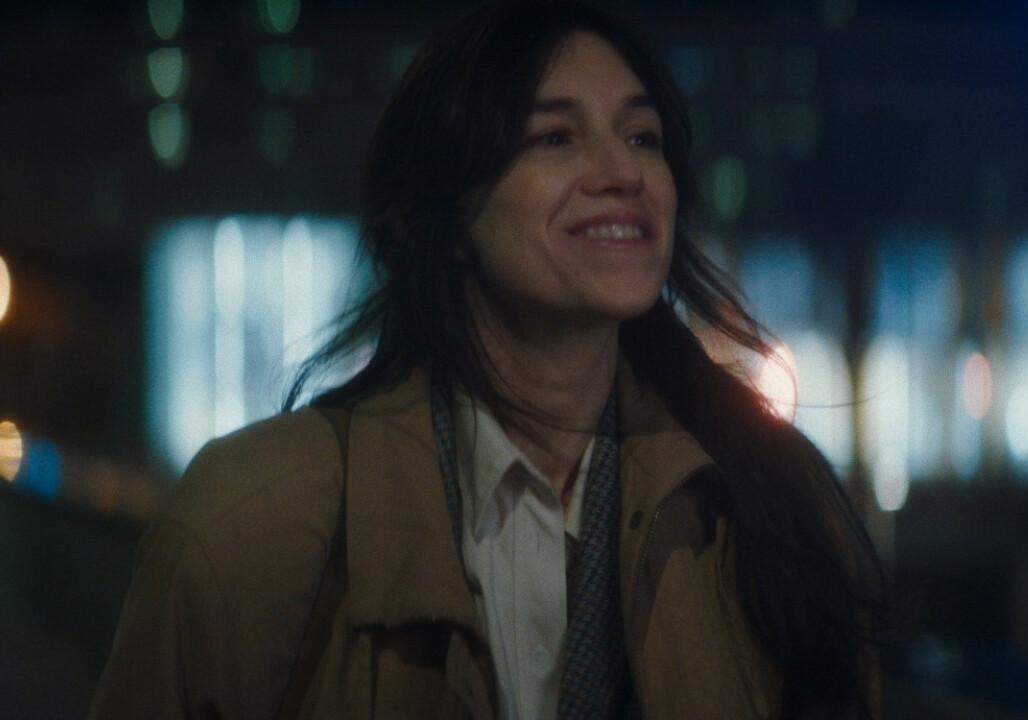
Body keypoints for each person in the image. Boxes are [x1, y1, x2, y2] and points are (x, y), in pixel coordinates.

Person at [90, 1, 886, 718]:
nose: (623, 173)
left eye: (642, 136)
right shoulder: (250, 524)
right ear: (444, 216)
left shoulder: (767, 496)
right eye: (555, 137)